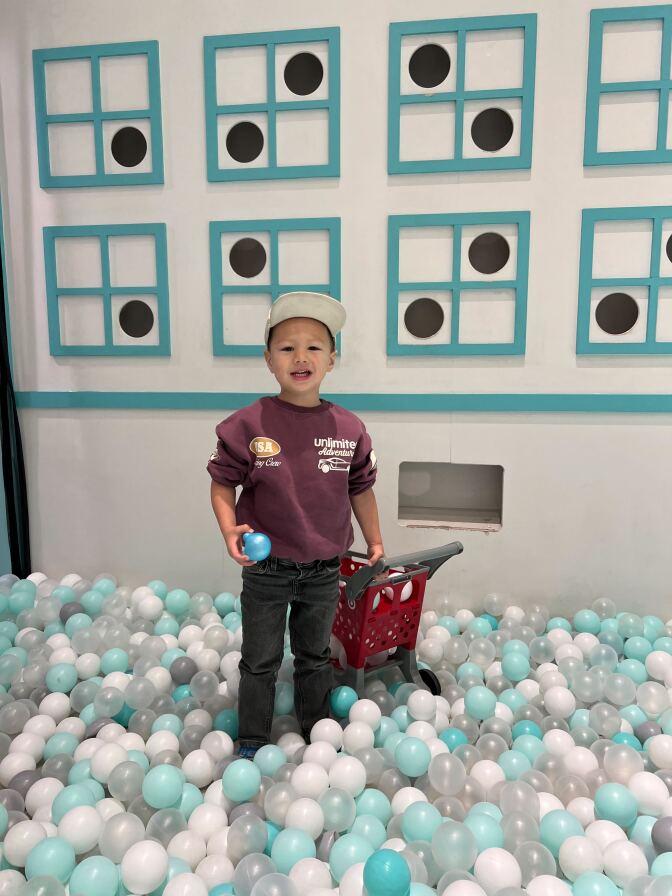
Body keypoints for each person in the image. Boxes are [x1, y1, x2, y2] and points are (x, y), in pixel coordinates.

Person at [207, 291, 384, 758]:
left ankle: (317, 730)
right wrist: (229, 529)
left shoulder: (349, 428)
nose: (300, 357)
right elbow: (222, 484)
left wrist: (375, 541)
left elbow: (361, 489)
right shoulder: (249, 424)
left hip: (325, 567)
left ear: (332, 360)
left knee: (314, 656)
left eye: (313, 347)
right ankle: (251, 737)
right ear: (268, 360)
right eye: (287, 348)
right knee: (260, 659)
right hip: (267, 570)